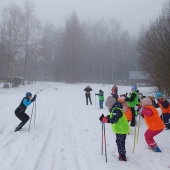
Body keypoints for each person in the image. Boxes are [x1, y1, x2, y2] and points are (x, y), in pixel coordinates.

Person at [99, 96, 130, 161]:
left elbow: (114, 120)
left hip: (122, 129)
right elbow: (112, 117)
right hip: (119, 129)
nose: (108, 108)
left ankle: (123, 156)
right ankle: (120, 153)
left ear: (110, 105)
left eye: (108, 106)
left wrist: (106, 120)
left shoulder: (116, 109)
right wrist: (105, 117)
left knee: (121, 142)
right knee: (119, 142)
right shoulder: (114, 109)